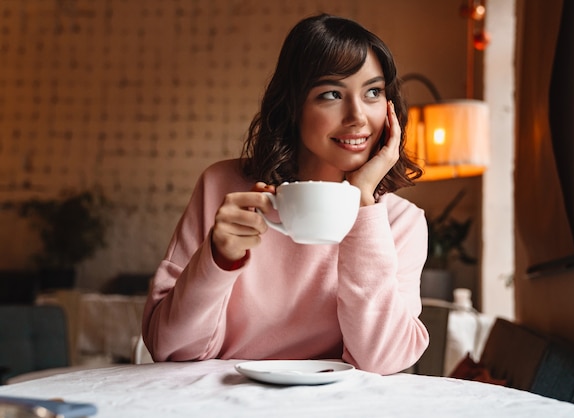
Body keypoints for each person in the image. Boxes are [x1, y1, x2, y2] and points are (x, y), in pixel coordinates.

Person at [142, 13, 429, 375]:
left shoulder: (400, 221)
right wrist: (218, 258)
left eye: (373, 92)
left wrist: (362, 202)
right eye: (331, 94)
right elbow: (170, 348)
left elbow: (381, 360)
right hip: (219, 401)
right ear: (293, 107)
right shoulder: (224, 187)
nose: (357, 116)